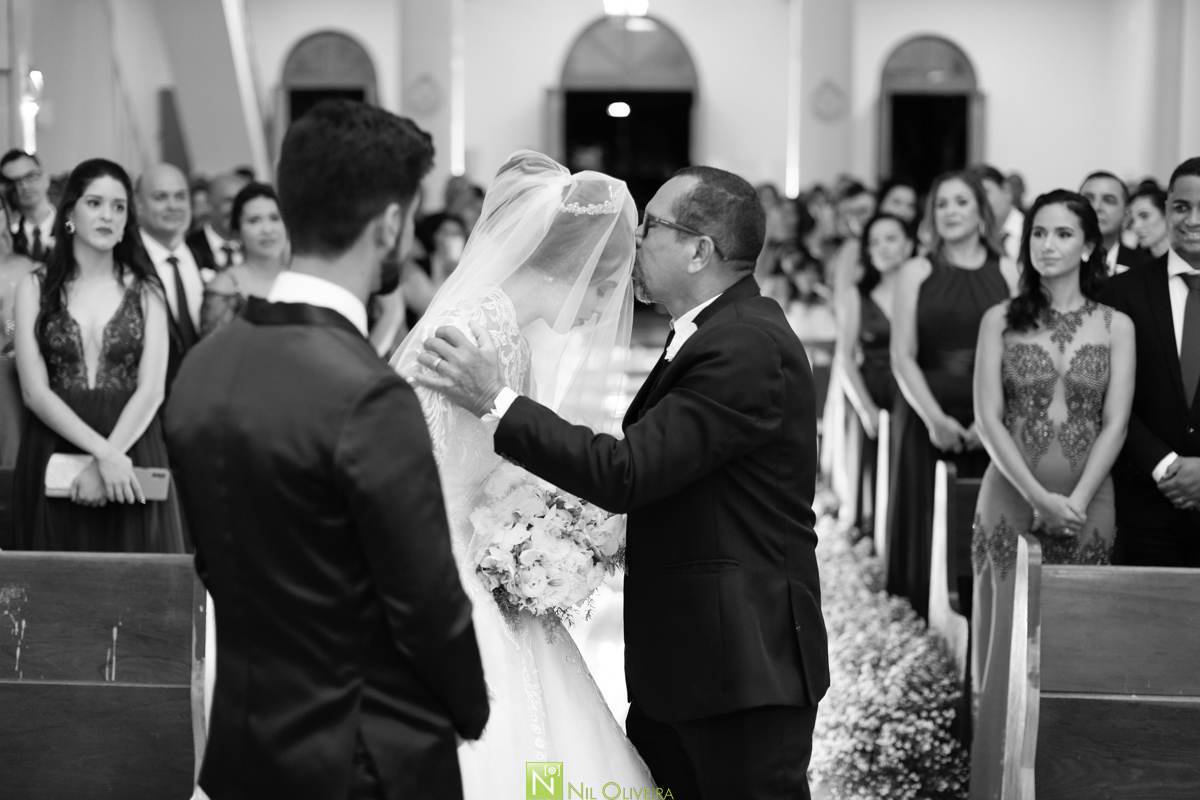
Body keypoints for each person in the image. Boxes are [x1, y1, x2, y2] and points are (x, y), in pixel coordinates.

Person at [414, 164, 828, 800]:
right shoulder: (708, 333)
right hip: (698, 664)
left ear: (699, 250)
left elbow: (629, 470)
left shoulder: (745, 344)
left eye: (651, 228)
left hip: (742, 670)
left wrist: (494, 400)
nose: (633, 241)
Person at [164, 100, 490, 800]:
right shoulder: (367, 394)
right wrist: (471, 706)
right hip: (362, 756)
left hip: (243, 745)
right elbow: (424, 600)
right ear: (392, 224)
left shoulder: (203, 366)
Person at [390, 150, 653, 797]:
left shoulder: (510, 329)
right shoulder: (467, 328)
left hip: (483, 554)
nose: (599, 310)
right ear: (571, 265)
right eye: (601, 286)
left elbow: (504, 457)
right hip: (439, 561)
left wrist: (534, 527)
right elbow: (408, 452)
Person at [11, 158, 184, 552]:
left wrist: (113, 455)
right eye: (95, 203)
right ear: (70, 211)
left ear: (127, 221)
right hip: (55, 441)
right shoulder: (34, 286)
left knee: (139, 587)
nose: (108, 215)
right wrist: (104, 455)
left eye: (119, 207)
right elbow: (34, 392)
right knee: (57, 591)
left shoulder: (147, 290)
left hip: (133, 440)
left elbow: (152, 389)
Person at [973, 189, 1133, 570]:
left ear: (1088, 245)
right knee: (1002, 624)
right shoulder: (999, 320)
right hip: (1009, 492)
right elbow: (987, 418)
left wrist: (1075, 503)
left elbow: (1117, 425)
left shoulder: (1117, 326)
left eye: (1063, 234)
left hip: (1088, 499)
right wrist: (1038, 499)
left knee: (1081, 623)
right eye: (1038, 233)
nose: (1047, 245)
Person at [887, 170, 1017, 619]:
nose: (951, 212)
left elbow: (1019, 356)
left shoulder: (1007, 270)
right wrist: (935, 420)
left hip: (992, 412)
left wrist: (992, 423)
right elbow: (902, 355)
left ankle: (986, 615)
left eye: (961, 202)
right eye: (941, 204)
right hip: (927, 405)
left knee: (984, 521)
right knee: (927, 518)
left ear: (981, 211)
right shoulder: (916, 270)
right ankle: (924, 617)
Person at [1099, 157, 1200, 567]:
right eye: (1181, 207)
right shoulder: (1121, 292)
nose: (1193, 219)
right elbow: (1108, 393)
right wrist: (1165, 465)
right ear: (1166, 209)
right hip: (1144, 505)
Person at [136, 163, 206, 388]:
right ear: (138, 205)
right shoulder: (126, 264)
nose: (173, 206)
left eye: (180, 197)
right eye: (160, 197)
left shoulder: (206, 258)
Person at [199, 182, 288, 337]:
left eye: (274, 218)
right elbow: (214, 355)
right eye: (254, 220)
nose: (267, 229)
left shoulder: (300, 275)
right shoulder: (224, 287)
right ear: (237, 231)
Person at [1079, 170, 1152, 274]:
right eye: (1088, 199)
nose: (1096, 207)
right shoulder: (1059, 260)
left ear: (1126, 214)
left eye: (1108, 200)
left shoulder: (1146, 268)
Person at [186, 171, 250, 276]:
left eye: (242, 201)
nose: (236, 208)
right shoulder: (189, 247)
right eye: (229, 201)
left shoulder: (255, 244)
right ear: (209, 204)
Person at [1, 149, 56, 263]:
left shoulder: (71, 225)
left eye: (30, 176)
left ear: (45, 178)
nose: (24, 186)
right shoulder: (7, 236)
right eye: (15, 181)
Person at [976, 164, 1024, 263]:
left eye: (985, 193)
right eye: (975, 196)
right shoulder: (975, 235)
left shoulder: (1031, 231)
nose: (979, 201)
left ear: (1006, 191)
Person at [1128, 184, 1171, 260]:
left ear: (1167, 214)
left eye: (1144, 216)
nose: (1136, 226)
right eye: (1132, 220)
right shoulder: (1133, 264)